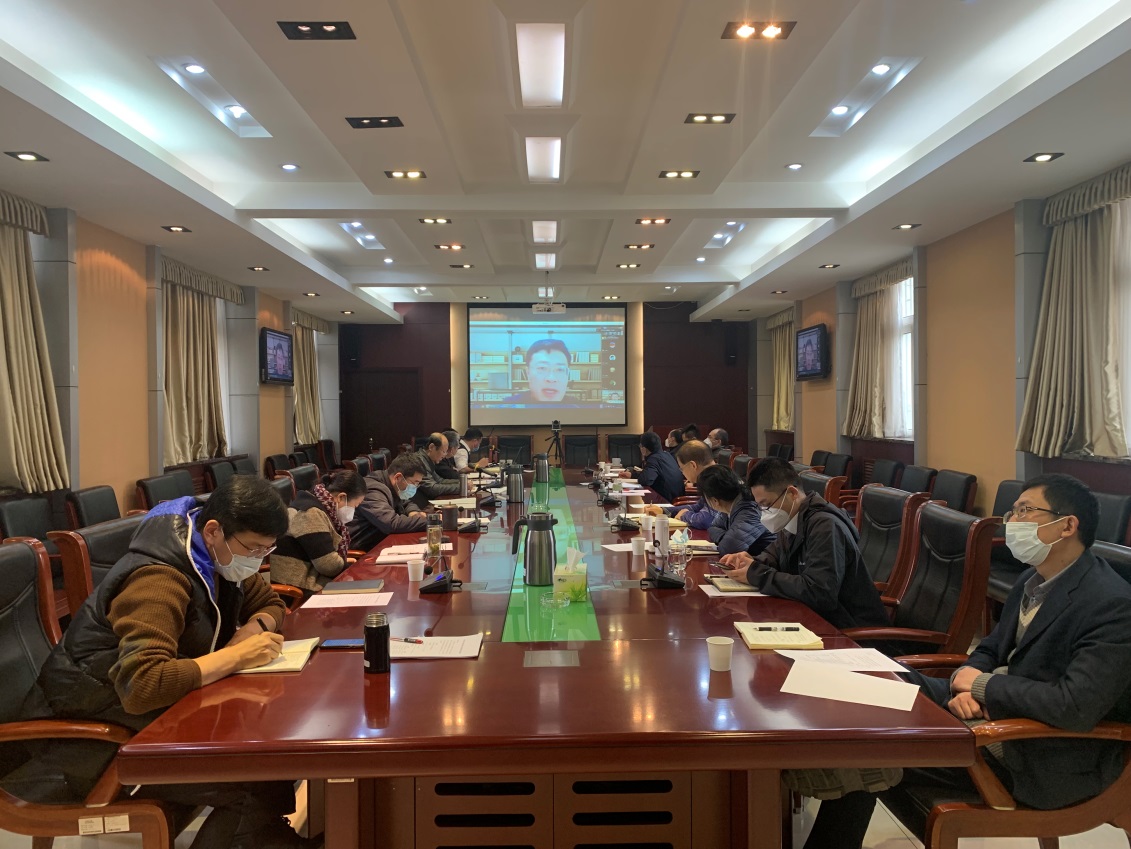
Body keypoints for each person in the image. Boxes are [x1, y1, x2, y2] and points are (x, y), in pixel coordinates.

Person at [806, 474, 1131, 849]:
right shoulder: (1033, 579)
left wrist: (982, 688)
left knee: (873, 747)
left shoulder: (1112, 604)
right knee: (874, 676)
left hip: (1036, 754)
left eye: (1025, 510)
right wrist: (969, 676)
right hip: (992, 710)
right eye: (1012, 511)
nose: (1012, 521)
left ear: (1068, 526)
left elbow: (1073, 706)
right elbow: (990, 648)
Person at [17, 476, 316, 849]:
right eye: (253, 548)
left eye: (266, 550)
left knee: (267, 753)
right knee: (251, 777)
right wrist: (233, 657)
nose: (257, 560)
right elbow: (143, 684)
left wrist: (254, 628)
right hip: (91, 740)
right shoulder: (159, 579)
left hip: (155, 718)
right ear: (213, 531)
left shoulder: (218, 559)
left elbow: (270, 603)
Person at [717, 457, 887, 630]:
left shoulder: (825, 526)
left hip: (848, 628)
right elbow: (773, 557)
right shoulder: (792, 519)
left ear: (792, 493)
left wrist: (756, 574)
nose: (764, 513)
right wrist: (749, 562)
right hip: (811, 617)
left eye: (766, 505)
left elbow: (820, 592)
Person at [270, 470, 367, 596]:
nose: (353, 511)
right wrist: (346, 564)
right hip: (299, 588)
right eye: (355, 506)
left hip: (312, 578)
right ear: (341, 497)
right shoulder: (310, 512)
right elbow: (329, 566)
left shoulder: (319, 505)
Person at [347, 452, 428, 551]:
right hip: (364, 548)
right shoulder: (372, 490)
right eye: (414, 483)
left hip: (381, 541)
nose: (415, 487)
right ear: (398, 477)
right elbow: (391, 523)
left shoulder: (389, 483)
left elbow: (405, 502)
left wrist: (413, 512)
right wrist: (432, 521)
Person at [696, 464, 775, 556]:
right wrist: (726, 537)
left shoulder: (750, 509)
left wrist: (727, 539)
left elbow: (728, 549)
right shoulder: (730, 505)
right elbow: (712, 527)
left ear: (714, 501)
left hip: (767, 562)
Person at [642, 439, 720, 529]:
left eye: (682, 468)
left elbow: (707, 520)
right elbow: (698, 507)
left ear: (693, 465)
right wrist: (664, 511)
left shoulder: (717, 481)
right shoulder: (711, 476)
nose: (682, 473)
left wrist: (685, 515)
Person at [505, 339, 570, 404]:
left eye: (560, 369)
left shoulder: (575, 406)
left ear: (567, 374)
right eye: (542, 368)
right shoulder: (508, 406)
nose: (551, 379)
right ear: (528, 373)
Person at [627, 431, 685, 504]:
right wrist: (632, 475)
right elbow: (649, 474)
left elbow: (645, 480)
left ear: (644, 449)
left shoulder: (654, 459)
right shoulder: (667, 455)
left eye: (640, 446)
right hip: (679, 500)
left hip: (667, 503)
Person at [410, 432, 462, 508]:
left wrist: (462, 483)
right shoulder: (419, 462)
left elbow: (440, 481)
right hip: (419, 507)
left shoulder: (427, 460)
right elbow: (432, 489)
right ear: (431, 447)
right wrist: (461, 487)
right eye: (443, 451)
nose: (444, 455)